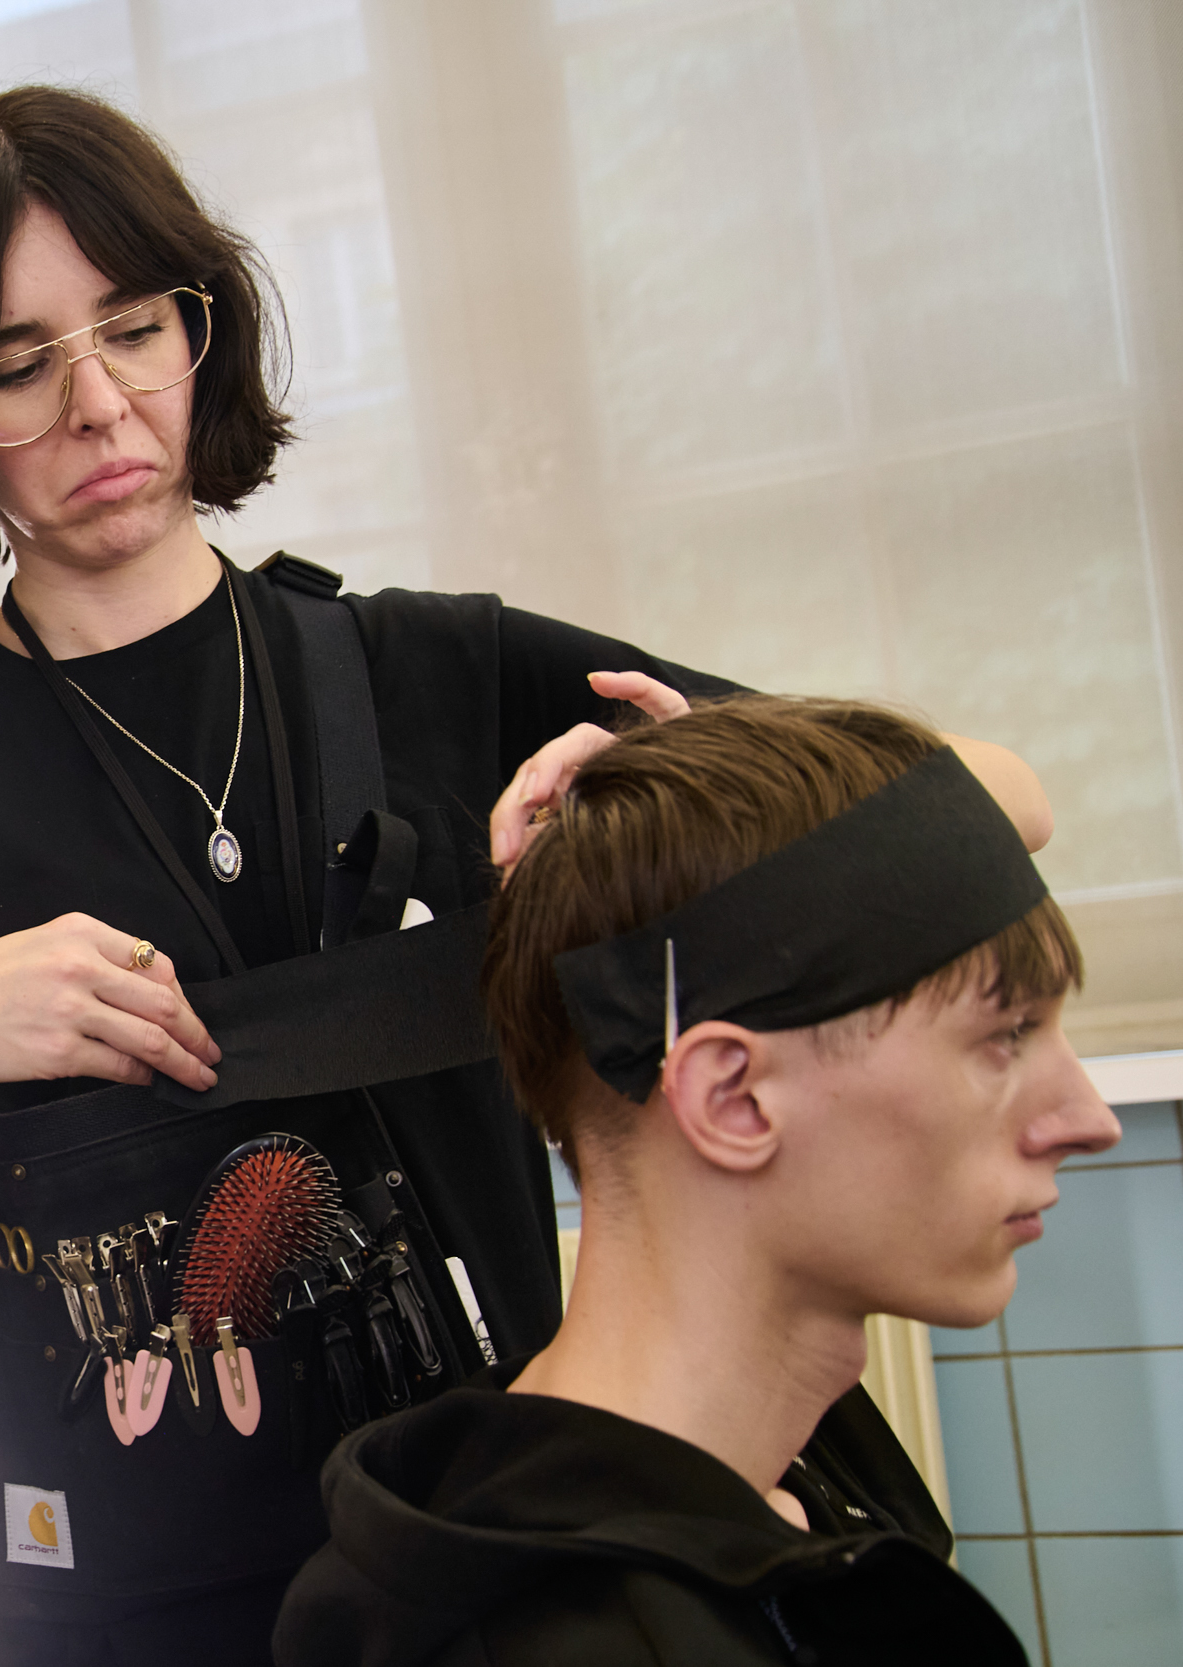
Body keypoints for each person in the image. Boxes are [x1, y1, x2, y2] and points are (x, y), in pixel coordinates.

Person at [0, 86, 1053, 1664]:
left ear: (202, 331)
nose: (97, 405)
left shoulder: (431, 671)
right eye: (15, 367)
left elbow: (994, 804)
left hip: (487, 1596)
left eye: (135, 328)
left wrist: (691, 787)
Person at [272, 697, 1118, 1665]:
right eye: (1004, 1036)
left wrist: (713, 790)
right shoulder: (571, 1639)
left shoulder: (795, 1481)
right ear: (734, 1099)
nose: (1086, 1120)